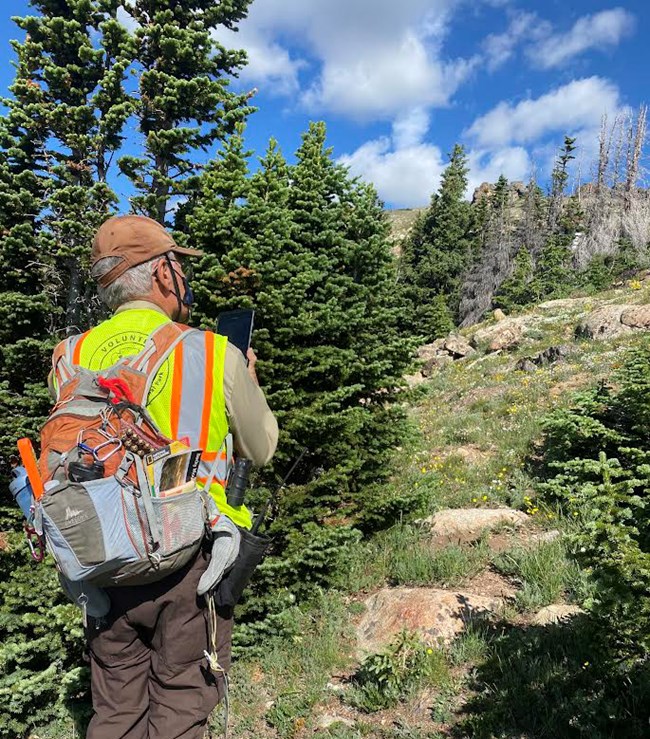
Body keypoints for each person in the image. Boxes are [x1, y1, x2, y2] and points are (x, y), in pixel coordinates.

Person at [60, 214, 278, 739]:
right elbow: (262, 448)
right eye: (178, 264)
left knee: (115, 711)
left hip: (103, 561)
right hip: (193, 561)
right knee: (181, 705)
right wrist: (244, 378)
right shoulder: (211, 350)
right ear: (161, 274)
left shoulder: (66, 357)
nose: (183, 275)